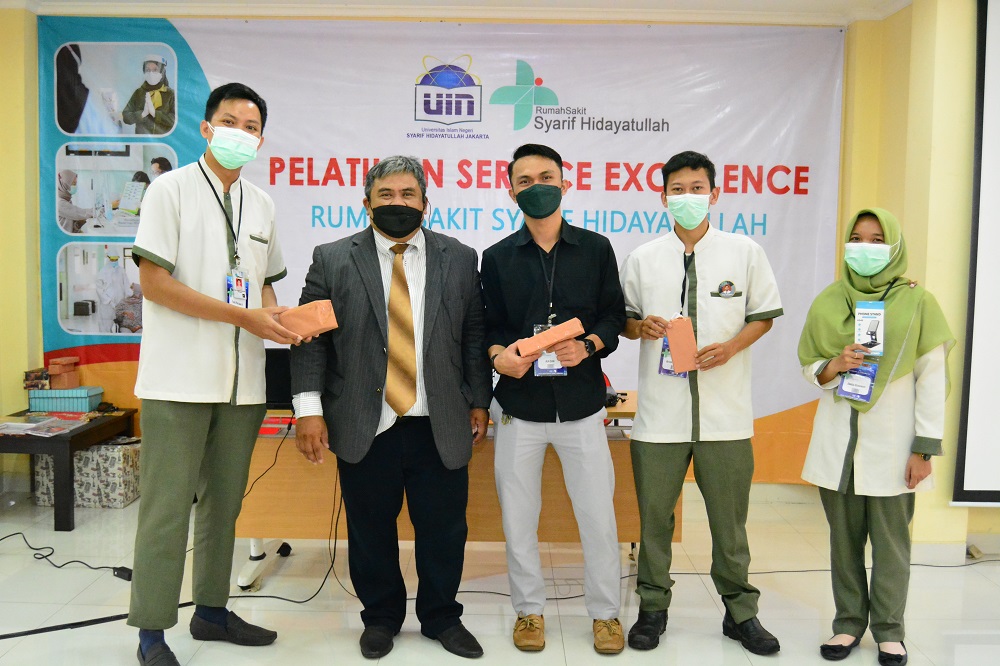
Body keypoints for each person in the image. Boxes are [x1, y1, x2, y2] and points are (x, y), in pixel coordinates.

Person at [290, 155, 492, 660]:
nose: (397, 203)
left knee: (444, 530)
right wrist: (308, 408)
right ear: (366, 203)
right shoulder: (332, 258)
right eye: (386, 195)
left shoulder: (460, 257)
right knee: (369, 530)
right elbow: (310, 340)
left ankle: (441, 617)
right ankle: (380, 617)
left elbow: (472, 334)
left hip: (438, 421)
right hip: (366, 421)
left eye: (407, 195)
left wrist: (479, 399)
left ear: (426, 203)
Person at [127, 82, 301, 666]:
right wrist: (242, 315)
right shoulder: (169, 191)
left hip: (243, 384)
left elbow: (264, 286)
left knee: (224, 507)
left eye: (251, 127)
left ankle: (211, 611)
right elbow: (155, 284)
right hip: (177, 380)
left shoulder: (262, 203)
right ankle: (152, 631)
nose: (239, 134)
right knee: (167, 509)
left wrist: (282, 320)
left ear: (260, 139)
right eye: (229, 122)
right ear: (206, 128)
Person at [619, 150, 783, 655]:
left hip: (725, 417)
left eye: (696, 188)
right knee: (655, 521)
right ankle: (652, 608)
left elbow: (763, 315)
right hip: (659, 418)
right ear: (662, 196)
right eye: (677, 189)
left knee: (729, 524)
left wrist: (731, 347)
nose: (687, 197)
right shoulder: (644, 257)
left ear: (714, 194)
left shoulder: (744, 252)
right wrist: (640, 327)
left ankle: (741, 612)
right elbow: (623, 320)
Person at [482, 143, 627, 655]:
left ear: (566, 183)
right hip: (518, 407)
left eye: (547, 177)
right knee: (518, 518)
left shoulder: (596, 248)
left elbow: (614, 317)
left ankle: (606, 615)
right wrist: (499, 356)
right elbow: (489, 327)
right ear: (511, 191)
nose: (537, 186)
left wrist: (588, 345)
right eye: (525, 180)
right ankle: (528, 611)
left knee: (598, 516)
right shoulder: (497, 257)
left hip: (582, 404)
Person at [798, 208, 953, 666]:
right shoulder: (829, 300)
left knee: (891, 546)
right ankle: (848, 623)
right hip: (838, 445)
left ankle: (889, 630)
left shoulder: (918, 302)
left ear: (895, 246)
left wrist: (924, 448)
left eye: (877, 239)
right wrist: (835, 364)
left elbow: (932, 378)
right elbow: (809, 366)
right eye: (858, 238)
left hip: (893, 445)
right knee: (843, 544)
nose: (865, 248)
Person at [123, 54, 176, 135]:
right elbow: (126, 116)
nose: (151, 73)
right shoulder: (138, 93)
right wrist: (142, 114)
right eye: (148, 70)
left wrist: (155, 113)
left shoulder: (170, 94)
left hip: (163, 141)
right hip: (142, 140)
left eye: (155, 70)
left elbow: (175, 120)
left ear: (162, 72)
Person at [56, 169, 91, 233]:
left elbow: (68, 225)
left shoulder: (67, 199)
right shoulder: (60, 203)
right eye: (73, 184)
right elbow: (83, 213)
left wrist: (78, 224)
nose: (75, 186)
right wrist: (102, 210)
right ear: (65, 185)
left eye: (76, 184)